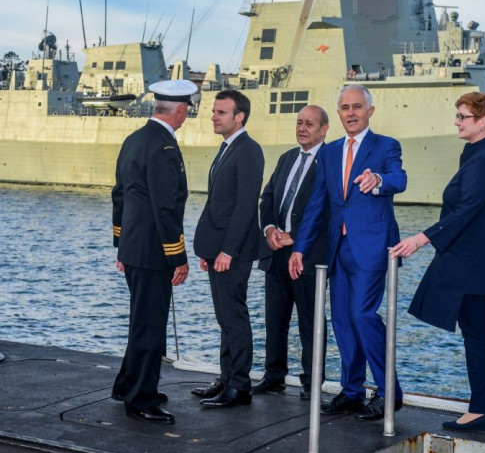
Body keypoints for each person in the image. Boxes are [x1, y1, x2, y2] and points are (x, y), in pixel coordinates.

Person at [391, 92, 485, 433]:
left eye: (463, 116)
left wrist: (420, 238)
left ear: (483, 121)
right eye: (458, 115)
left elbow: (467, 208)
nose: (457, 121)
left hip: (482, 264)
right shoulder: (482, 153)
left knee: (478, 333)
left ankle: (483, 409)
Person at [289, 84, 406, 421]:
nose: (351, 113)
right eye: (344, 108)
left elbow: (399, 177)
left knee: (362, 315)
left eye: (357, 106)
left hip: (371, 247)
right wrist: (300, 249)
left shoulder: (386, 145)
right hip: (337, 249)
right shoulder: (329, 151)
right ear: (338, 113)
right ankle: (352, 391)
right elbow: (317, 205)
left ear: (370, 110)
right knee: (341, 320)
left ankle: (389, 392)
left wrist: (379, 180)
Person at [110, 79, 197, 425]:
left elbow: (120, 195)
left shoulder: (134, 139)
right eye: (187, 110)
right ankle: (141, 399)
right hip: (153, 252)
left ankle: (128, 385)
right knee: (150, 326)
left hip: (135, 249)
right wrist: (177, 256)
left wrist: (121, 244)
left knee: (141, 321)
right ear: (180, 110)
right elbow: (165, 208)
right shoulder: (163, 147)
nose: (186, 115)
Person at [191, 89, 268, 408]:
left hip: (231, 251)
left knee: (234, 315)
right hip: (218, 249)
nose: (213, 116)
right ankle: (226, 378)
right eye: (214, 111)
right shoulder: (228, 148)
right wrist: (211, 249)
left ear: (240, 117)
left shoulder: (249, 150)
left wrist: (228, 251)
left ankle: (240, 386)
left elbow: (245, 206)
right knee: (224, 316)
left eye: (221, 112)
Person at [254, 104, 329, 401]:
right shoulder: (287, 158)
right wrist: (270, 229)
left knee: (310, 323)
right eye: (299, 122)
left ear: (324, 129)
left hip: (308, 256)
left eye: (309, 124)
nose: (302, 128)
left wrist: (294, 238)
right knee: (275, 319)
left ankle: (312, 383)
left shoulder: (330, 161)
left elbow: (330, 212)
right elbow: (268, 197)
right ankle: (274, 377)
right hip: (276, 255)